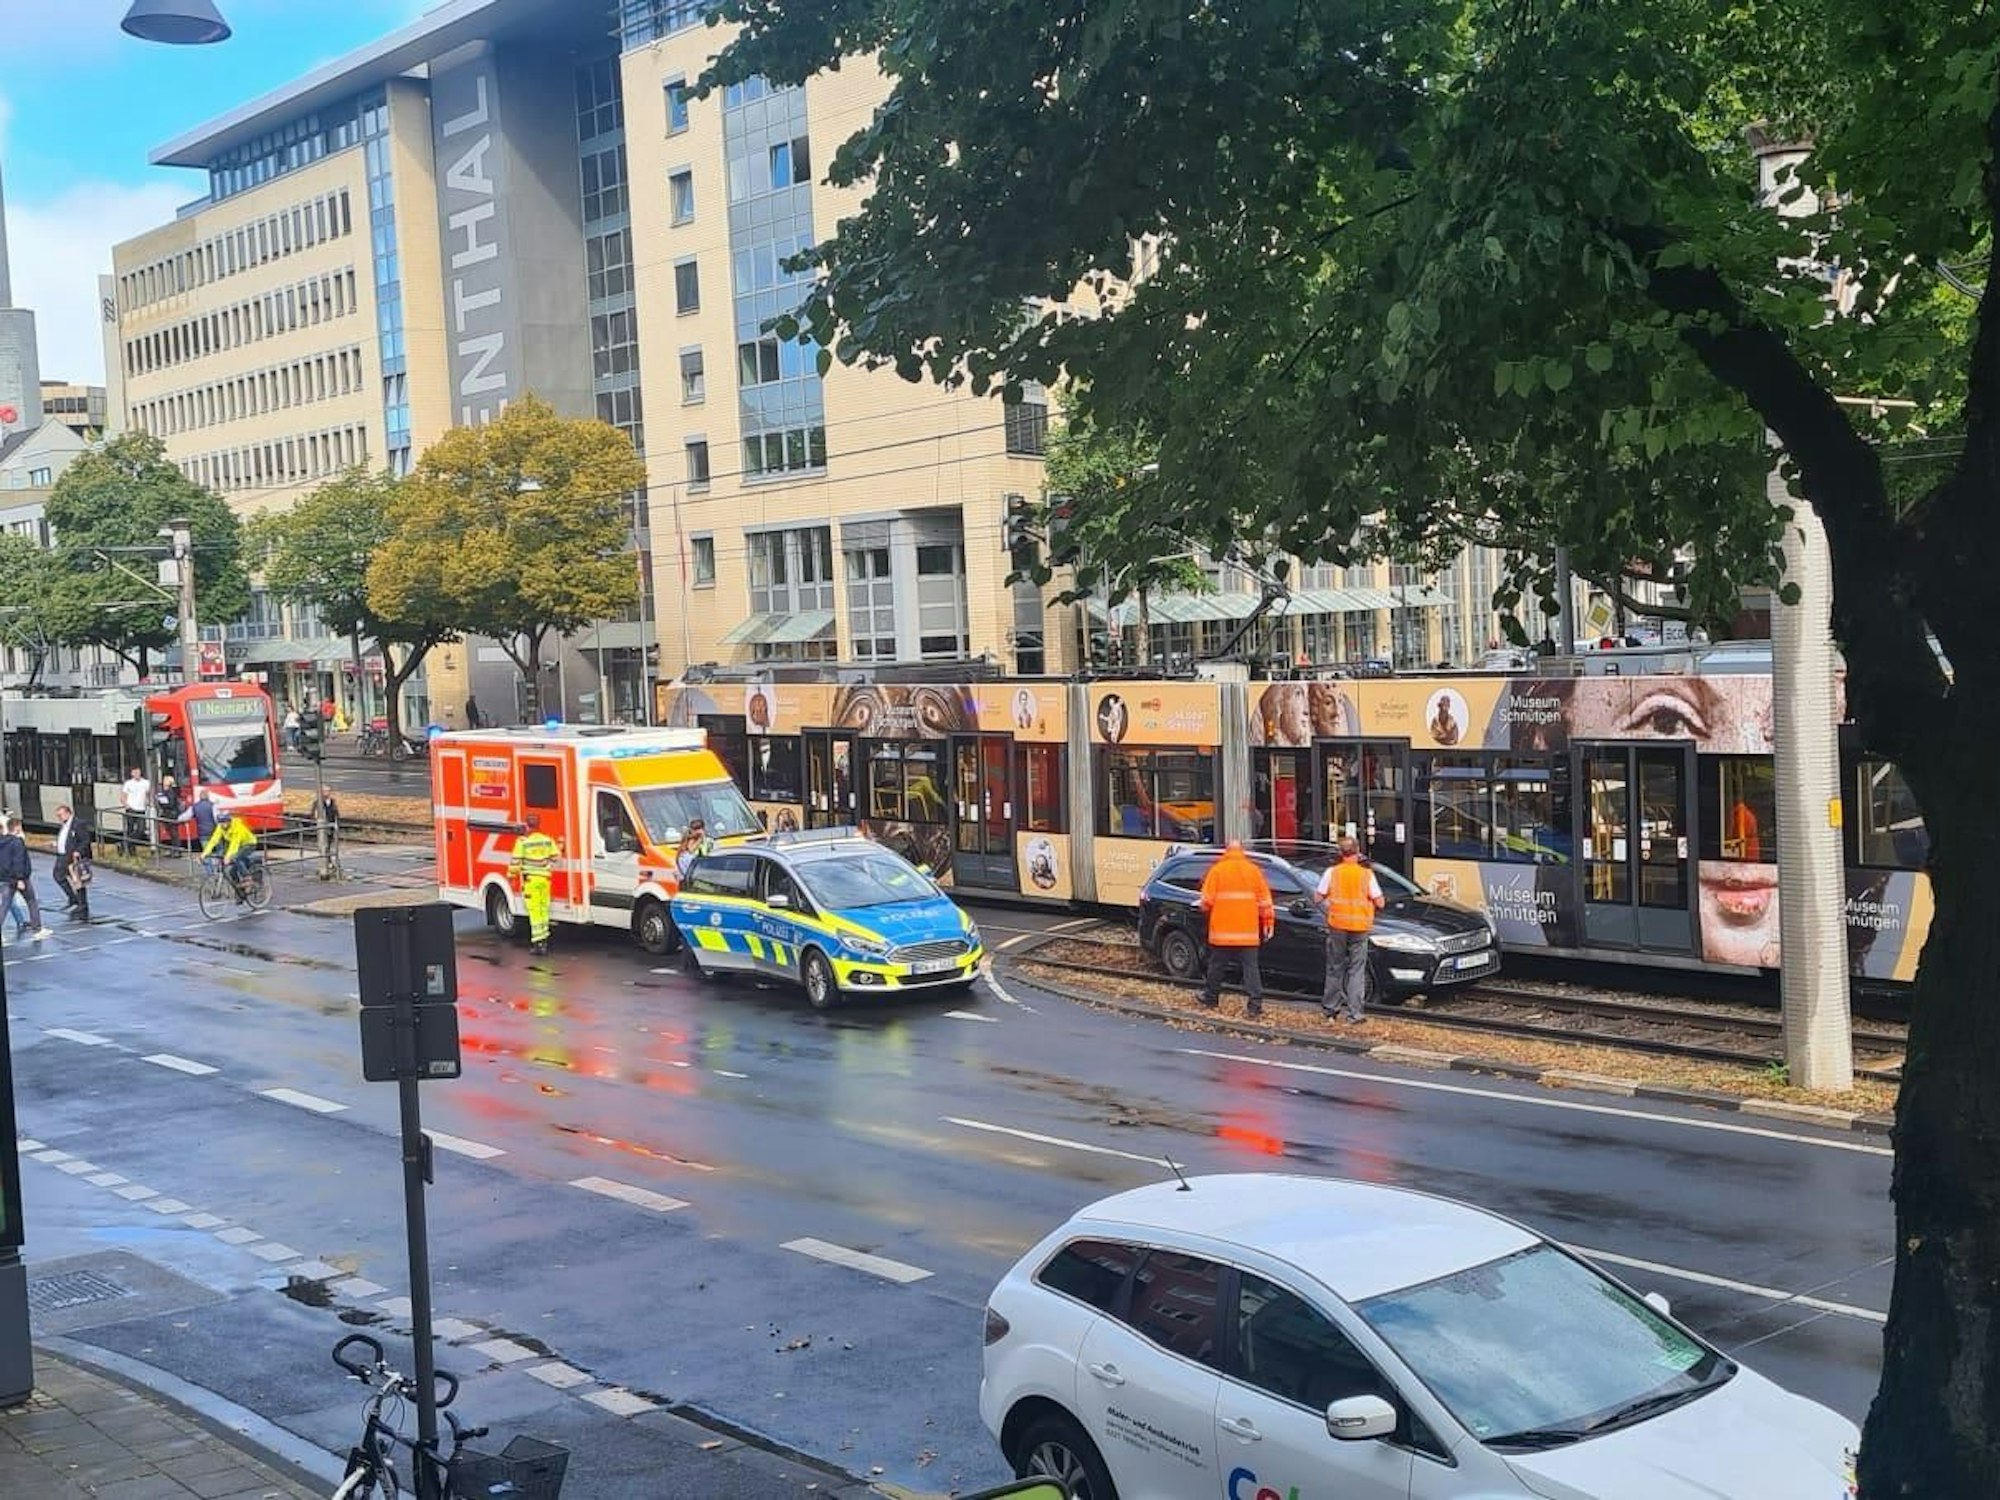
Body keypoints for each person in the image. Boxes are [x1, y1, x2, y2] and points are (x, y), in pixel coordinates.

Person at [1196, 840, 1275, 1018]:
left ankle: (1211, 998)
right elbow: (1265, 902)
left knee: (1217, 966)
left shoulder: (1217, 870)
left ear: (1226, 851)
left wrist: (1205, 909)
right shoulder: (1254, 871)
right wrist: (1268, 923)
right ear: (1243, 852)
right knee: (1250, 968)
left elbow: (1206, 901)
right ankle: (1255, 1005)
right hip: (1248, 933)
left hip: (1222, 932)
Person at [1317, 836, 1385, 1023]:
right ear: (1357, 852)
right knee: (1356, 970)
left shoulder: (1332, 872)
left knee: (1335, 968)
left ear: (1341, 853)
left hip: (1337, 926)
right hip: (1360, 927)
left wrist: (1330, 909)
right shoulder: (1366, 875)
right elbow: (1380, 901)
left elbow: (1317, 897)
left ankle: (1331, 1009)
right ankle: (1355, 1013)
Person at [509, 819, 563, 955]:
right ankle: (543, 940)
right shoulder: (547, 840)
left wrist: (511, 876)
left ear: (527, 826)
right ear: (539, 825)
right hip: (545, 880)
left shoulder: (522, 843)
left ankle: (538, 944)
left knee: (534, 911)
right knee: (544, 909)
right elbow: (557, 858)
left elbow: (515, 862)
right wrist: (560, 845)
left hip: (531, 881)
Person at [0, 818, 48, 940]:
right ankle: (37, 929)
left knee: (5, 905)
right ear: (17, 827)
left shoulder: (2, 841)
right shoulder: (17, 842)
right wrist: (20, 879)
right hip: (20, 878)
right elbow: (19, 861)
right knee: (32, 901)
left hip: (6, 879)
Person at [201, 809, 260, 903]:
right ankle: (240, 893)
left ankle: (247, 878)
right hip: (237, 845)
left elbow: (234, 844)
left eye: (224, 822)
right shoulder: (220, 827)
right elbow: (214, 840)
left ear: (229, 821)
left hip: (248, 844)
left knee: (236, 857)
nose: (223, 825)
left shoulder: (237, 827)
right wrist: (205, 853)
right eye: (221, 822)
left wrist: (228, 856)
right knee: (232, 872)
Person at [51, 805, 92, 920]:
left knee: (77, 880)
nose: (59, 818)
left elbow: (85, 840)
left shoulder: (78, 824)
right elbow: (66, 838)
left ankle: (81, 904)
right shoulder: (65, 824)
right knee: (60, 876)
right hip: (63, 856)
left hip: (72, 857)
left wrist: (78, 851)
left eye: (60, 815)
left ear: (68, 813)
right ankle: (75, 899)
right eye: (58, 816)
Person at [120, 767, 152, 851]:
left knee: (141, 830)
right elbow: (123, 796)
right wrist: (126, 805)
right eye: (135, 772)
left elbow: (149, 794)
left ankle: (124, 843)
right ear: (132, 773)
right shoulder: (128, 783)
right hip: (131, 809)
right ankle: (130, 849)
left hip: (141, 809)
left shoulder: (146, 783)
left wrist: (148, 802)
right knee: (130, 829)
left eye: (138, 772)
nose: (137, 774)